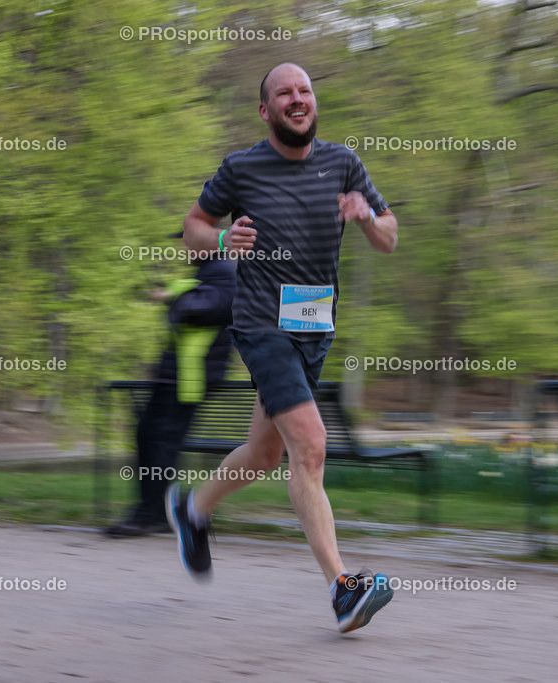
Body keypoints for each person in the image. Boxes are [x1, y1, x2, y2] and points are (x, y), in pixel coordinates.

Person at [167, 62, 399, 633]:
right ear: (266, 111)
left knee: (266, 454)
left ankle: (190, 510)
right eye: (283, 94)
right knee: (311, 447)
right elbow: (193, 227)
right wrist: (222, 238)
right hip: (261, 325)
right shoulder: (242, 168)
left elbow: (389, 236)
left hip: (315, 327)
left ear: (313, 101)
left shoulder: (344, 163)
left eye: (305, 91)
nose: (297, 100)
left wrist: (366, 216)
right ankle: (343, 589)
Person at [105, 232, 235, 537]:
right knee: (149, 436)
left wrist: (172, 296)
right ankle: (155, 511)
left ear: (209, 243)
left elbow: (207, 308)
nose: (185, 247)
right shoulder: (208, 272)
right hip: (176, 375)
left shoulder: (223, 271)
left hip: (189, 377)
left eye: (189, 241)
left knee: (160, 442)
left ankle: (151, 514)